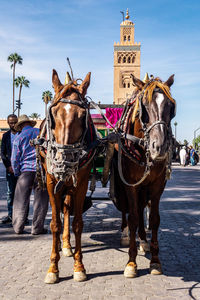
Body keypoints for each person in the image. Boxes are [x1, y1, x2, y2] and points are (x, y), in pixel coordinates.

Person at [11, 114, 49, 234]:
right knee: (41, 200)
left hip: (26, 171)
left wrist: (17, 172)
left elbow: (14, 158)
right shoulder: (40, 133)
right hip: (41, 170)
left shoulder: (19, 137)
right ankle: (37, 228)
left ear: (21, 126)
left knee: (20, 200)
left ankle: (18, 227)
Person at [0, 114, 18, 224]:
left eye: (15, 122)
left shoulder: (22, 134)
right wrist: (8, 166)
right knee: (10, 193)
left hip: (21, 170)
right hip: (10, 170)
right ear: (8, 123)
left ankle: (22, 217)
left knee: (22, 195)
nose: (13, 124)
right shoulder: (6, 135)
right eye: (11, 122)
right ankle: (11, 216)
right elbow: (3, 153)